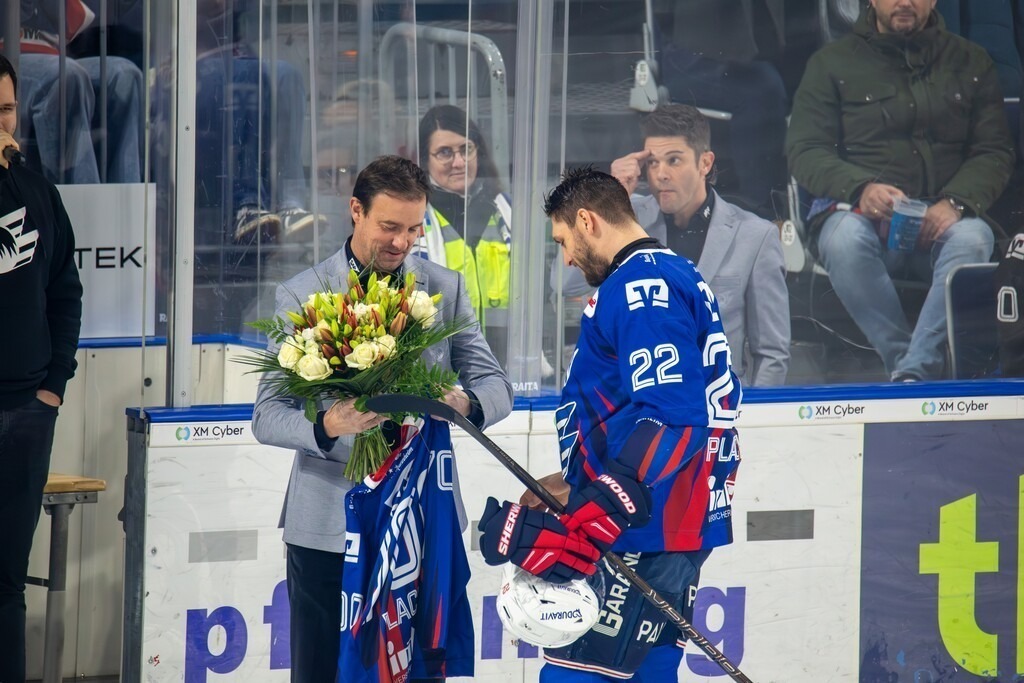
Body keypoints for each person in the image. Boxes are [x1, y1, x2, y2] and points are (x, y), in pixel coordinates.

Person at [250, 155, 513, 682]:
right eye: (389, 227)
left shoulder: (445, 287)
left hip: (423, 523)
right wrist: (330, 426)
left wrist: (465, 405)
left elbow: (497, 386)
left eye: (414, 229)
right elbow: (267, 416)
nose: (401, 242)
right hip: (328, 524)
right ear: (356, 212)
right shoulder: (302, 293)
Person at [479, 168, 742, 681]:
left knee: (577, 673)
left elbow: (671, 415)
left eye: (564, 241)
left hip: (642, 524)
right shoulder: (674, 271)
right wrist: (579, 481)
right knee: (649, 666)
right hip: (667, 515)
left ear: (586, 220)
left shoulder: (641, 283)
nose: (568, 258)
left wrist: (603, 504)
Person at [786, 0, 1015, 382]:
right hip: (864, 218)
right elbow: (805, 149)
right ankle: (910, 366)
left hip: (946, 220)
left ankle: (913, 370)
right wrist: (861, 188)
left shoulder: (971, 61)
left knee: (974, 239)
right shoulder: (831, 63)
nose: (904, 2)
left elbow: (994, 150)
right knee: (842, 240)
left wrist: (955, 203)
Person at [599, 103, 790, 386]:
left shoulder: (755, 237)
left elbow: (772, 354)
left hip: (717, 414)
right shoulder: (624, 220)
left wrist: (744, 423)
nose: (660, 174)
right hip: (639, 412)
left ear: (705, 163)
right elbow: (565, 283)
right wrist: (608, 204)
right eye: (652, 162)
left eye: (674, 160)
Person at [0, 53, 84, 682]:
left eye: (4, 110)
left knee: (5, 583)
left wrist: (53, 386)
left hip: (27, 411)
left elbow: (65, 291)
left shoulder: (35, 190)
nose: (0, 126)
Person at [654, 0, 789, 214]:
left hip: (752, 47)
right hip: (687, 51)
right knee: (763, 91)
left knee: (781, 81)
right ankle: (756, 206)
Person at [1, 0, 144, 183]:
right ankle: (79, 201)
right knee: (65, 77)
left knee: (124, 76)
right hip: (7, 59)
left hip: (54, 56)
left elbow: (96, 11)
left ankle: (127, 198)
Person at [416, 104, 511, 364]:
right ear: (425, 159)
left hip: (503, 360)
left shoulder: (506, 209)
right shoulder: (415, 218)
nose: (458, 163)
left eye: (465, 149)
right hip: (438, 366)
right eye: (445, 153)